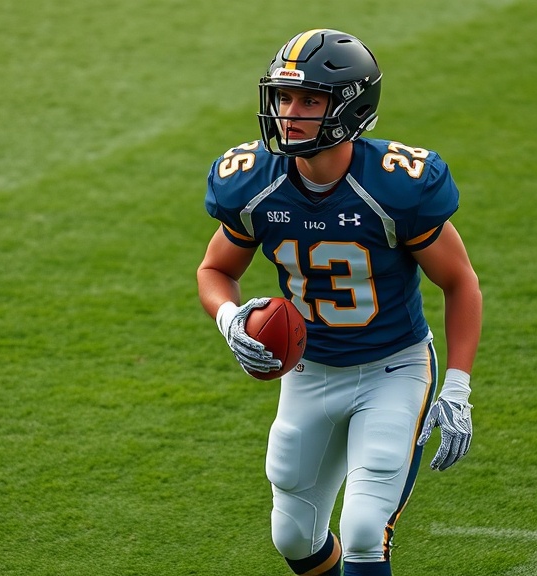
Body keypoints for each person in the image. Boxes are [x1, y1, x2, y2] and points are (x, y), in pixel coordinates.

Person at [196, 29, 482, 576]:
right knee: (293, 535)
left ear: (352, 107)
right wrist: (230, 318)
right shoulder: (254, 183)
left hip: (393, 368)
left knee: (365, 530)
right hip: (309, 370)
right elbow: (215, 270)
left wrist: (458, 387)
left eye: (309, 100)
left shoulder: (396, 186)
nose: (289, 113)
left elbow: (460, 282)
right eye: (283, 97)